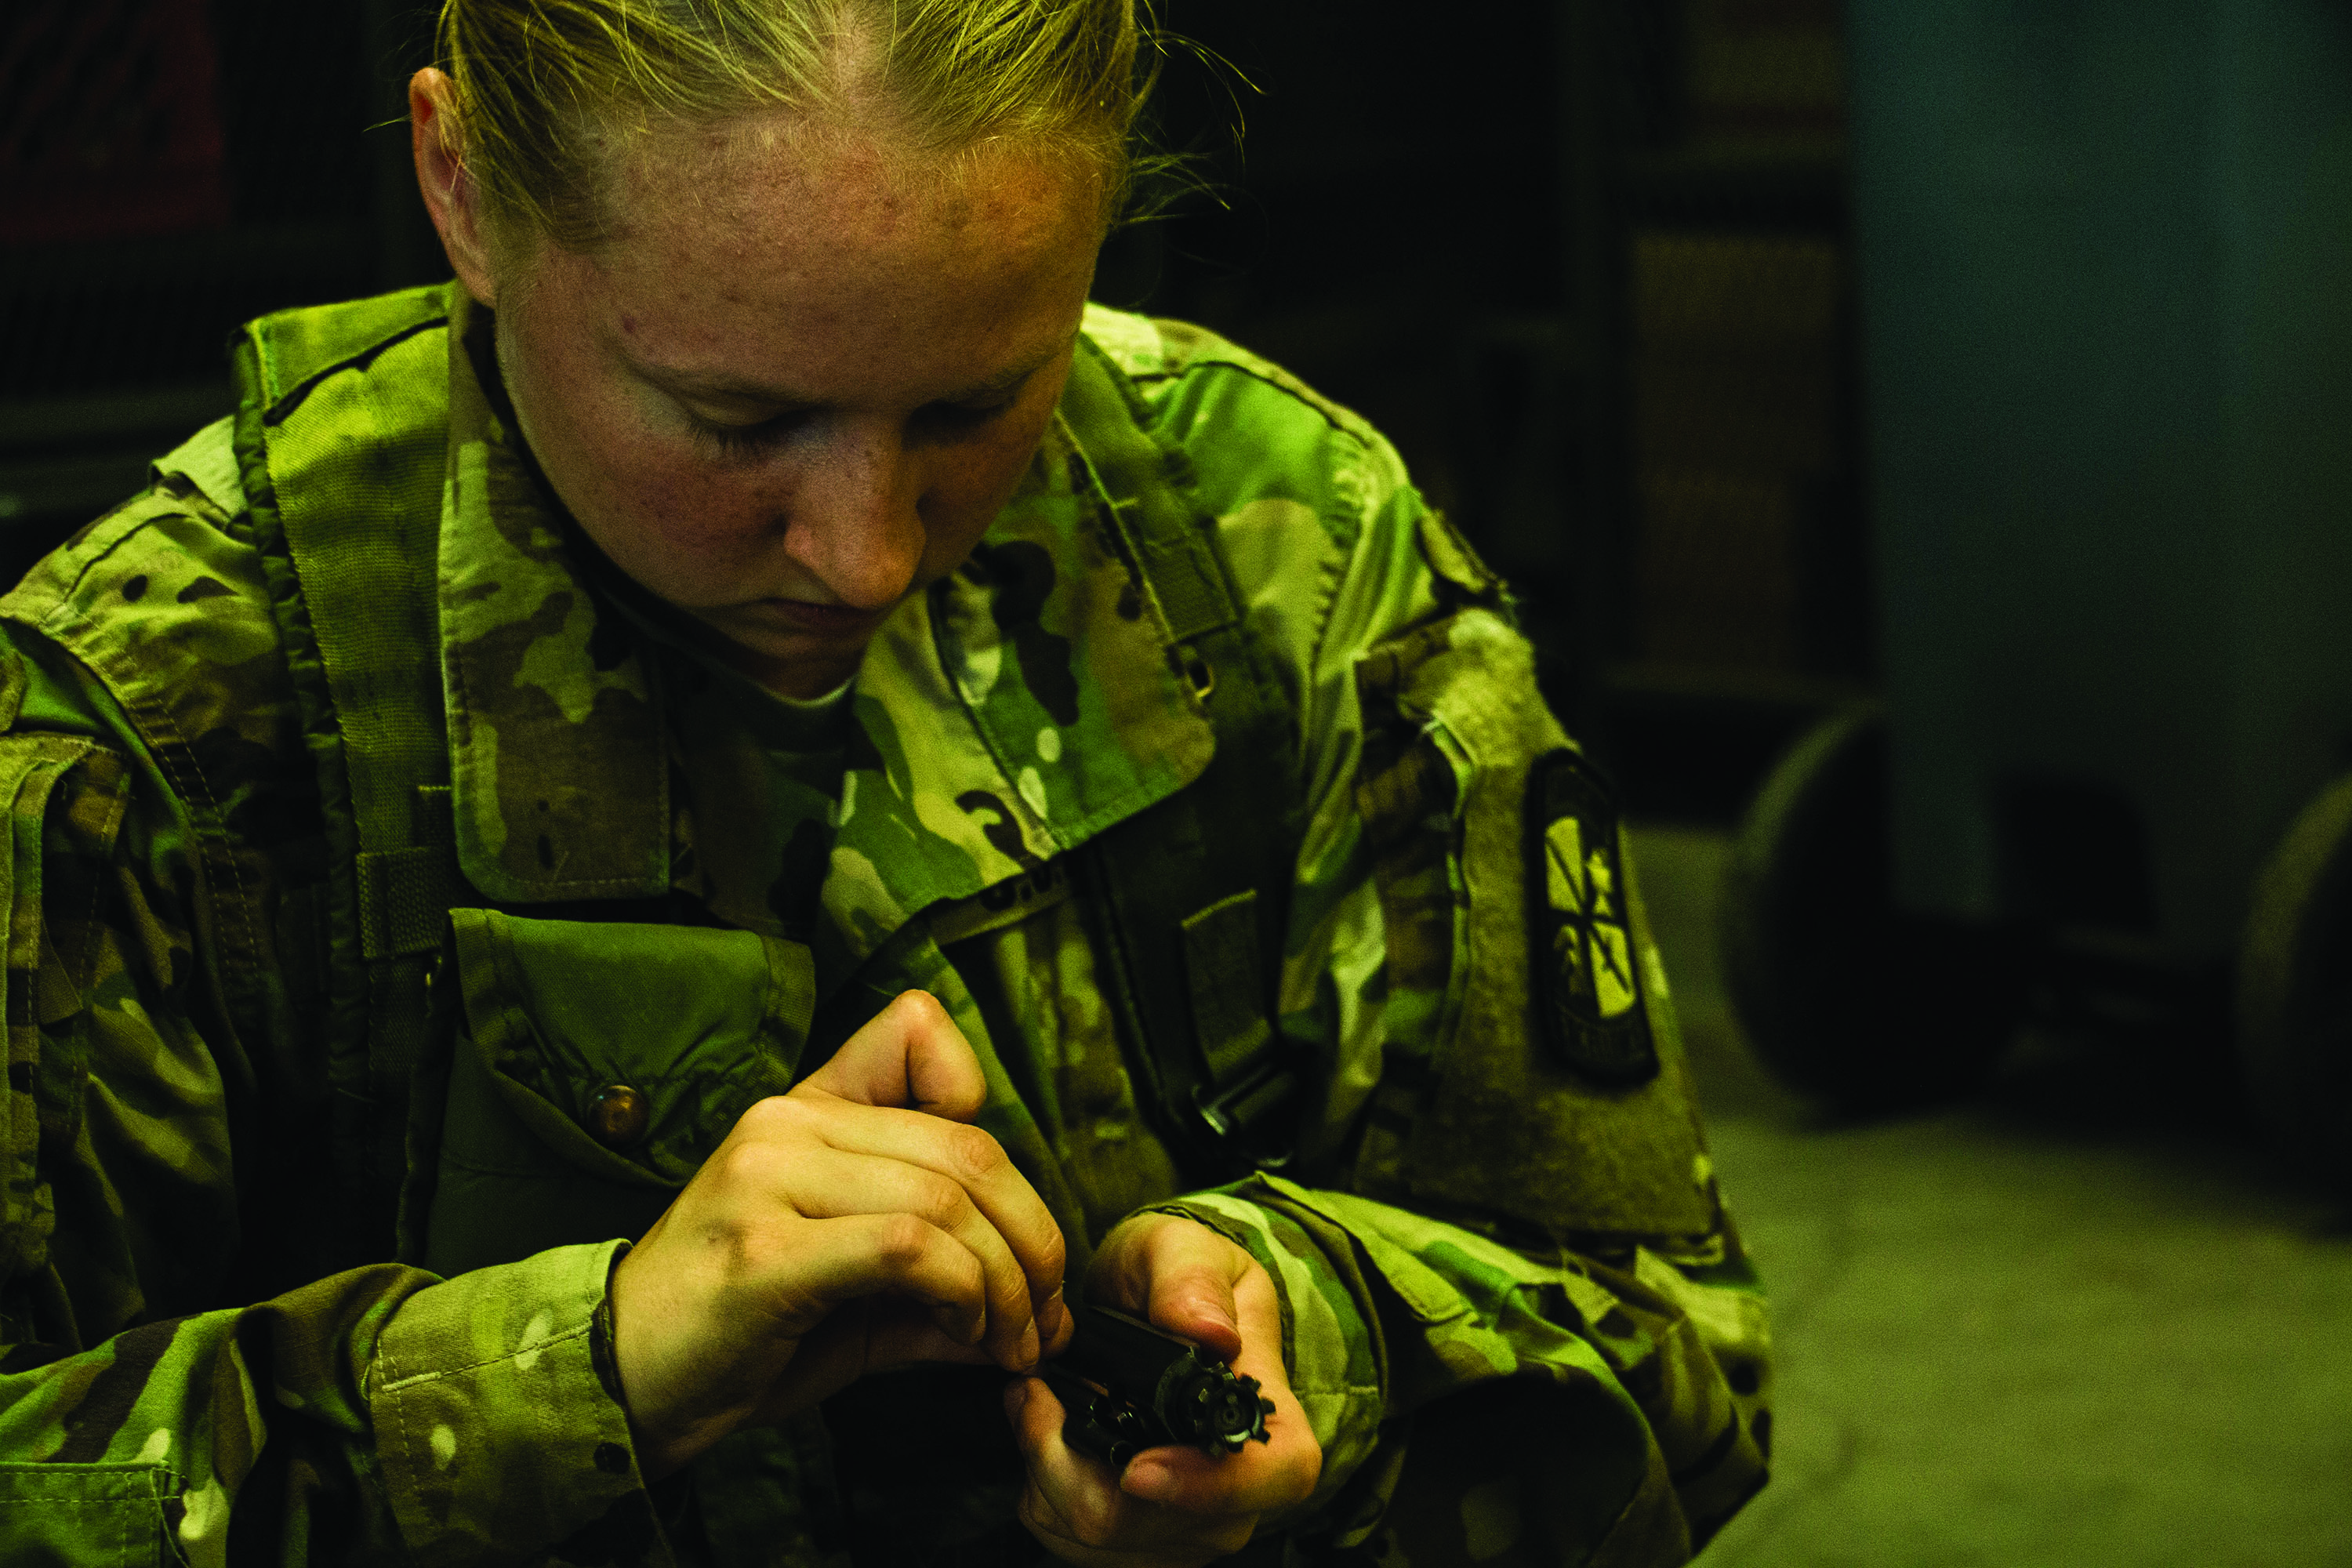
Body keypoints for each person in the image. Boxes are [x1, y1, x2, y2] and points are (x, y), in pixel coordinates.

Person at [0, 1, 1772, 1563]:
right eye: (733, 420)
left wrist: (1327, 1333)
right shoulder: (154, 716)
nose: (863, 556)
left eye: (975, 404)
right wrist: (582, 1367)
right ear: (461, 186)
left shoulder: (1275, 547)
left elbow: (1676, 1355)